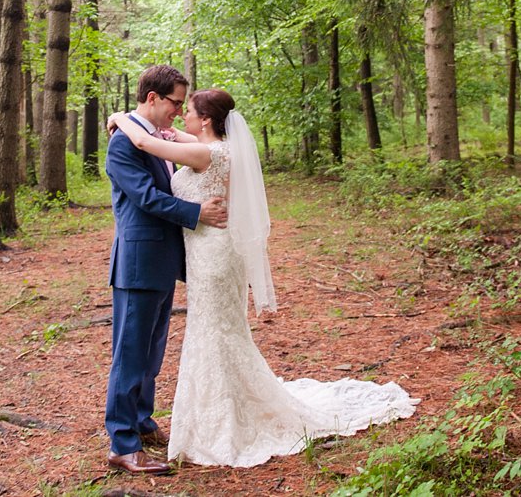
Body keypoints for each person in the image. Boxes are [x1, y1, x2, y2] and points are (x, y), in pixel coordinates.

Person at [108, 88, 417, 468]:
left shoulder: (208, 153)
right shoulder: (214, 146)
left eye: (186, 109)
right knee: (197, 338)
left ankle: (213, 422)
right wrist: (133, 124)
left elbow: (145, 139)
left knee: (208, 336)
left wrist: (120, 117)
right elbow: (155, 150)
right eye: (177, 104)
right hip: (197, 256)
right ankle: (142, 432)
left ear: (205, 119)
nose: (180, 114)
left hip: (213, 257)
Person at [104, 65, 228, 476]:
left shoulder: (154, 136)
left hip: (161, 261)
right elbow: (145, 198)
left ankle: (141, 422)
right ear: (153, 98)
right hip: (139, 262)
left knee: (152, 352)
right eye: (175, 102)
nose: (179, 110)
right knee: (130, 353)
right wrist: (198, 214)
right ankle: (122, 444)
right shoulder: (123, 143)